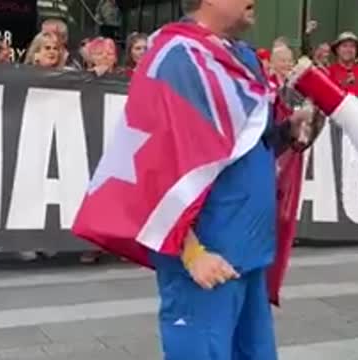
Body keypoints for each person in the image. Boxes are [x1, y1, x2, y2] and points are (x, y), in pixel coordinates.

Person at [79, 0, 316, 358]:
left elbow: (244, 143)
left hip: (249, 251)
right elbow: (152, 162)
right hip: (207, 256)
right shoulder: (175, 56)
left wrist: (286, 131)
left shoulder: (241, 58)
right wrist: (191, 252)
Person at [327, 32, 358, 96]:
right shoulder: (329, 72)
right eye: (344, 46)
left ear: (356, 51)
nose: (348, 49)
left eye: (352, 46)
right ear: (337, 50)